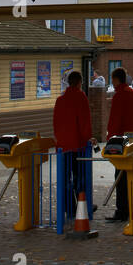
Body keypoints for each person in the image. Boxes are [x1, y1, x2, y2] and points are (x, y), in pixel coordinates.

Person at [53, 70, 93, 220]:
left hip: (63, 146)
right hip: (78, 145)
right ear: (79, 82)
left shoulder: (60, 100)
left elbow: (56, 124)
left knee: (65, 179)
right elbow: (84, 122)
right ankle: (82, 206)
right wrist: (88, 138)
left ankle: (70, 208)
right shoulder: (81, 97)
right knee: (79, 178)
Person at [104, 67, 133, 223]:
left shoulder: (119, 96)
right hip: (132, 141)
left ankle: (122, 211)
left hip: (120, 142)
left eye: (112, 79)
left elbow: (115, 120)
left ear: (116, 79)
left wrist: (110, 139)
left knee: (119, 177)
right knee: (132, 176)